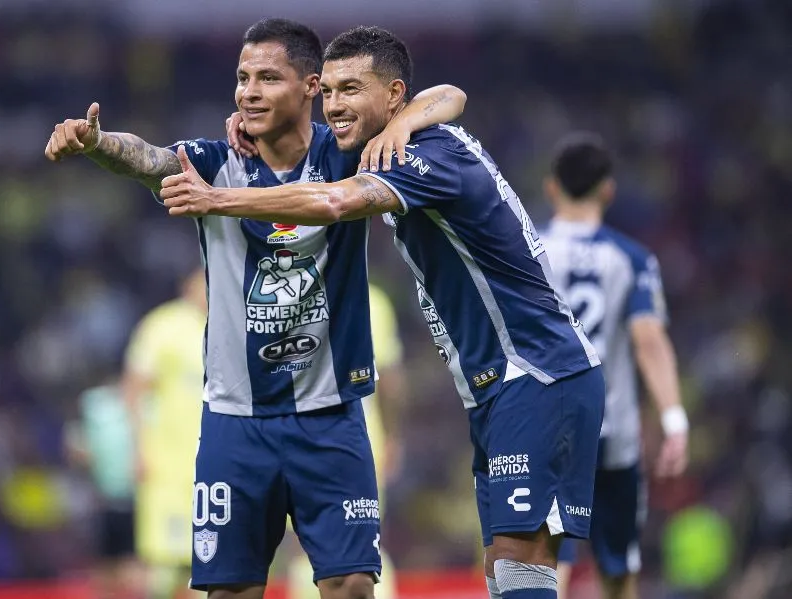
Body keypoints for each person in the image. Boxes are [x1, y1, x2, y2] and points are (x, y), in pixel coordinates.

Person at [160, 26, 606, 599]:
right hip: (497, 386)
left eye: (352, 90)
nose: (336, 105)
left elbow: (335, 201)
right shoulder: (398, 143)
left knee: (522, 566)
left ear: (394, 96)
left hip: (539, 372)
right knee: (505, 570)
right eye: (330, 92)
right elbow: (449, 94)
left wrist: (215, 199)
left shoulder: (429, 153)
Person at [45, 18, 466, 599]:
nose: (249, 91)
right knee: (230, 591)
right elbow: (145, 159)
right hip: (234, 422)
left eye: (269, 77)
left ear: (311, 87)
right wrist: (98, 144)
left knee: (351, 585)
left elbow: (448, 97)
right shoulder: (210, 161)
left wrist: (411, 119)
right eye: (243, 78)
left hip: (331, 414)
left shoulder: (348, 154)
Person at [537, 133, 689, 599]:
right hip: (615, 435)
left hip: (549, 431)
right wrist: (673, 418)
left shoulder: (530, 253)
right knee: (618, 568)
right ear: (608, 191)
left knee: (545, 564)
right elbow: (649, 342)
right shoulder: (632, 258)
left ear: (551, 188)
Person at [286, 282, 406, 599]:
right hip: (358, 435)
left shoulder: (291, 294)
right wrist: (393, 436)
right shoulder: (373, 300)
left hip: (307, 432)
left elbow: (392, 381)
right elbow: (391, 381)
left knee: (306, 543)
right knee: (366, 540)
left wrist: (392, 437)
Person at [124, 269, 208, 599]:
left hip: (212, 465)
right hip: (167, 468)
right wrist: (136, 449)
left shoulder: (230, 322)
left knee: (205, 561)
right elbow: (133, 392)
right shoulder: (162, 326)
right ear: (187, 284)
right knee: (161, 563)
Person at [64, 382, 147, 599]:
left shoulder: (146, 406)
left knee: (134, 568)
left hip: (137, 501)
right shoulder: (95, 405)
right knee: (106, 569)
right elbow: (77, 450)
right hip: (104, 501)